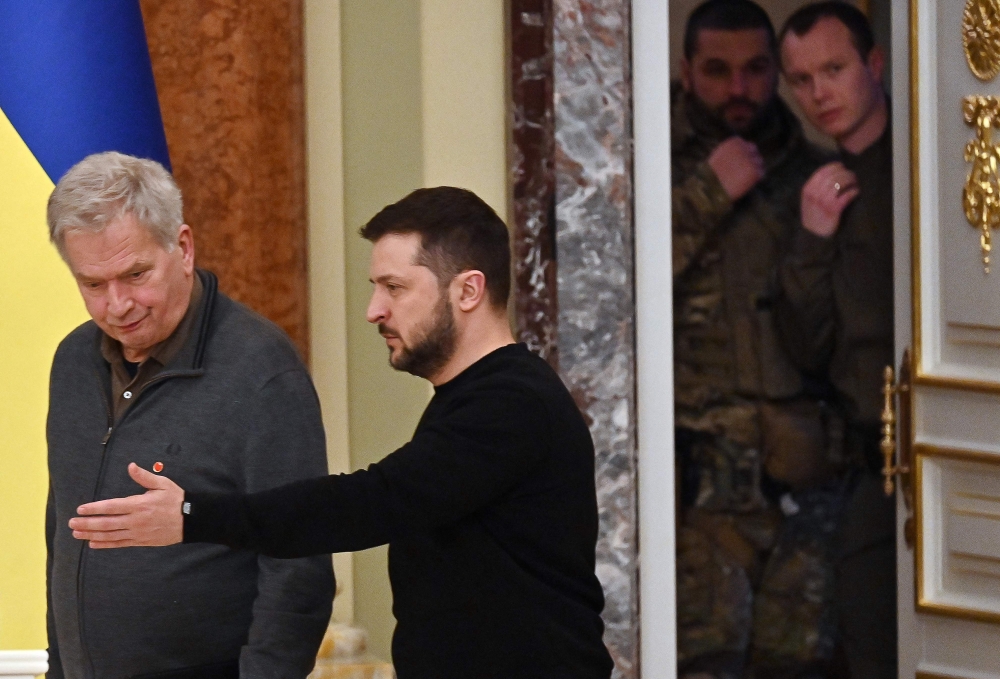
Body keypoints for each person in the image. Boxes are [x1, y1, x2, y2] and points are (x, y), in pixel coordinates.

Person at [68, 187, 615, 679]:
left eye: (395, 288)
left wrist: (192, 517)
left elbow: (370, 502)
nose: (375, 310)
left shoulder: (511, 404)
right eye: (376, 287)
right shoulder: (475, 400)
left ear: (468, 290)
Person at [44, 152, 334, 679]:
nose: (117, 305)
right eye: (92, 284)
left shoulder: (262, 370)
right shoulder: (71, 363)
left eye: (135, 274)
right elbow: (62, 540)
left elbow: (298, 566)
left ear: (182, 248)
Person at [671, 1, 839, 677]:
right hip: (703, 495)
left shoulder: (817, 171)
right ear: (686, 72)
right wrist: (709, 191)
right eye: (717, 71)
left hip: (805, 484)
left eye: (755, 70)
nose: (738, 89)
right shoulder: (651, 171)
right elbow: (612, 283)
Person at [777, 3, 896, 678]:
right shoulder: (814, 188)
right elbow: (806, 345)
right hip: (863, 455)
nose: (818, 92)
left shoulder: (929, 170)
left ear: (874, 66)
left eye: (833, 69)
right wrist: (813, 236)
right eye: (801, 79)